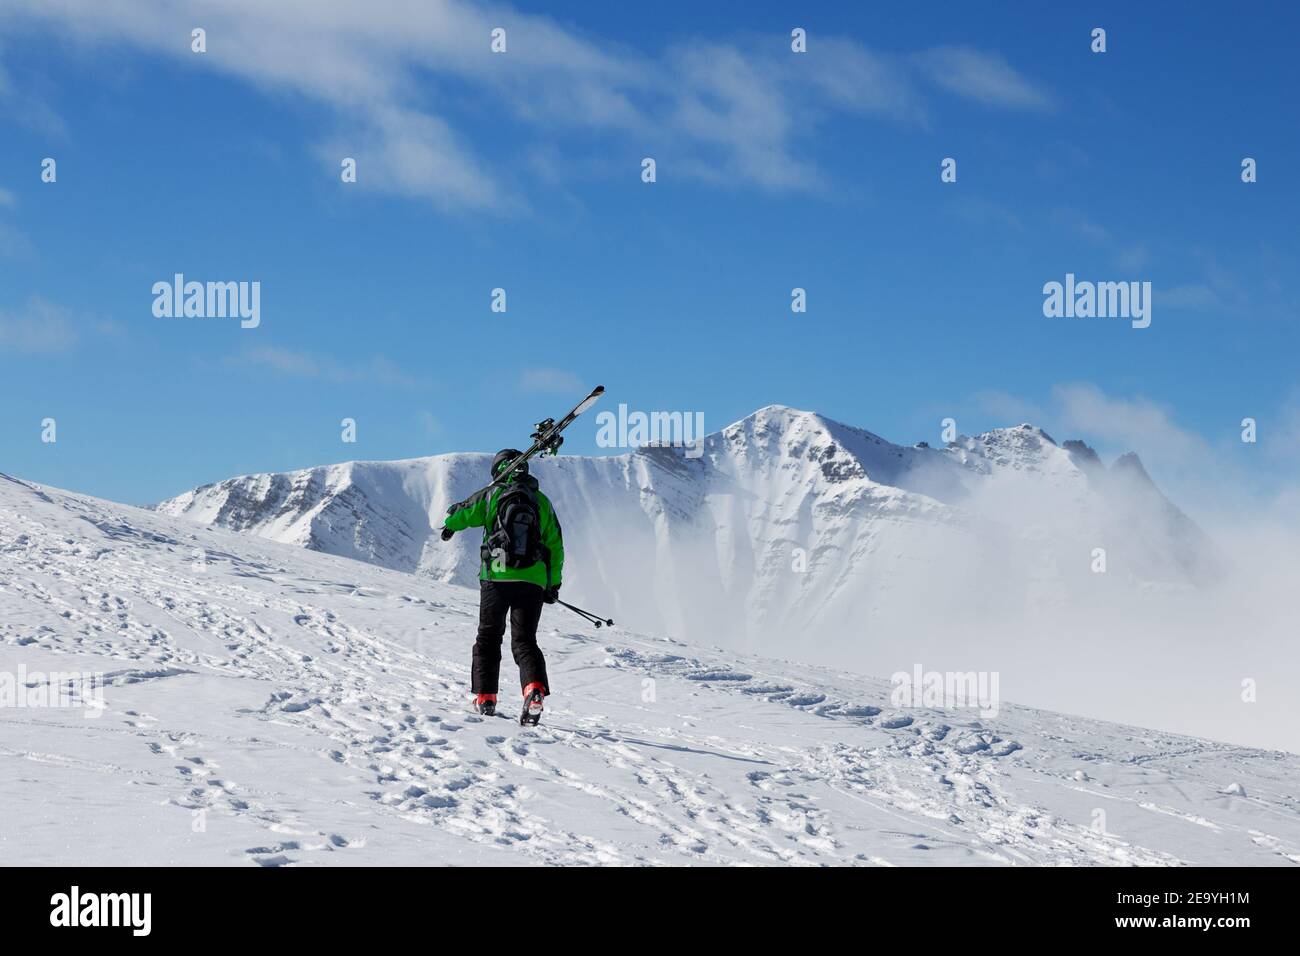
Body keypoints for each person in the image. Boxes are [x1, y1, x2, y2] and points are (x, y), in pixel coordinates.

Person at [440, 449, 564, 725]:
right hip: (531, 581)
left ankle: (485, 698)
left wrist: (449, 525)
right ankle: (534, 690)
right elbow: (555, 545)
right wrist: (552, 584)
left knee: (488, 637)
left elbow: (463, 514)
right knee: (525, 641)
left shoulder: (492, 494)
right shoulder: (541, 502)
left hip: (495, 577)